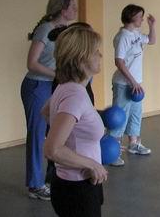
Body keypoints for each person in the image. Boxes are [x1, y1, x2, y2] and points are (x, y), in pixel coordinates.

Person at [44, 25, 108, 217]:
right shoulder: (75, 95)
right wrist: (93, 164)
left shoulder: (66, 87)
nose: (100, 55)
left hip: (75, 183)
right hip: (77, 188)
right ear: (81, 59)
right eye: (95, 52)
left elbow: (46, 111)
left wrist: (81, 128)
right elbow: (52, 150)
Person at [21, 0, 77, 200]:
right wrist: (57, 75)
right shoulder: (45, 29)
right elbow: (32, 63)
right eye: (73, 7)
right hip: (37, 86)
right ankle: (35, 185)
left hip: (53, 86)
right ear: (63, 10)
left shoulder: (65, 30)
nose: (76, 10)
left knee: (57, 133)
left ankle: (52, 178)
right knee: (37, 135)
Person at [108, 4, 157, 165]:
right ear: (131, 17)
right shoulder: (123, 37)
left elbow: (152, 40)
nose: (142, 19)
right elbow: (119, 62)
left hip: (136, 84)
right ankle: (113, 152)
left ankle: (134, 144)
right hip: (124, 84)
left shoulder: (135, 33)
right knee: (119, 118)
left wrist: (152, 26)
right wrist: (132, 82)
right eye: (140, 17)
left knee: (136, 114)